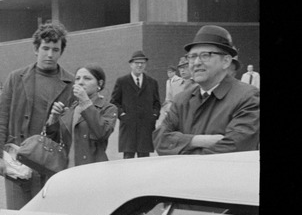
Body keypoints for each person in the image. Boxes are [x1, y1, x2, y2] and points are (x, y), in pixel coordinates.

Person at [0, 20, 74, 208]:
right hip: (18, 160)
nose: (50, 54)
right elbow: (2, 117)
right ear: (36, 49)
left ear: (61, 52)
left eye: (55, 50)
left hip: (50, 163)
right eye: (45, 48)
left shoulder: (71, 84)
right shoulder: (16, 78)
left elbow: (71, 130)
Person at [154, 25, 260, 155]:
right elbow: (159, 140)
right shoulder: (181, 100)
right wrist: (197, 140)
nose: (196, 62)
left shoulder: (248, 97)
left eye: (205, 55)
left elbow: (234, 149)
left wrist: (179, 148)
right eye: (192, 56)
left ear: (226, 61)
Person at [45, 65, 117, 167]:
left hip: (93, 169)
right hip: (67, 170)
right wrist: (53, 119)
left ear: (99, 84)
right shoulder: (71, 108)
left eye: (87, 78)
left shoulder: (108, 108)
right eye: (77, 79)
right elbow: (54, 141)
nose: (80, 82)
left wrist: (85, 101)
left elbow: (101, 133)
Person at [110, 49, 160, 159]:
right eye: (137, 62)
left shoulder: (152, 82)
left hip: (145, 128)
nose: (140, 65)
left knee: (144, 160)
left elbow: (157, 103)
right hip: (129, 128)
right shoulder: (122, 81)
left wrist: (154, 116)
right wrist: (122, 115)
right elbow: (114, 102)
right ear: (131, 64)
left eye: (142, 62)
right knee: (128, 160)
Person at [158, 55, 195, 129]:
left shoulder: (200, 84)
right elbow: (169, 101)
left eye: (185, 67)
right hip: (177, 123)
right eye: (181, 68)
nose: (182, 70)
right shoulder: (174, 85)